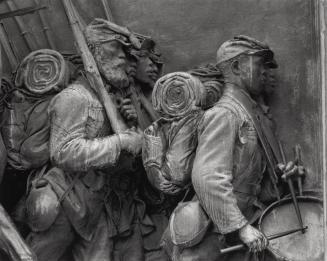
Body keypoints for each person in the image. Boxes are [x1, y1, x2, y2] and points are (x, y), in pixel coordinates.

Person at [162, 35, 305, 261]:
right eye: (258, 63)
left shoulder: (249, 114)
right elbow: (207, 177)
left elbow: (248, 181)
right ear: (237, 66)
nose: (264, 72)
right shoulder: (225, 114)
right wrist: (240, 228)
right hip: (215, 238)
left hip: (242, 231)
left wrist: (281, 176)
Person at [24, 19, 151, 261]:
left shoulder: (109, 98)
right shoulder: (74, 98)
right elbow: (63, 152)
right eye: (117, 51)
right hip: (66, 199)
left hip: (96, 200)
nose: (125, 59)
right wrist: (119, 142)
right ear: (97, 56)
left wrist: (129, 125)